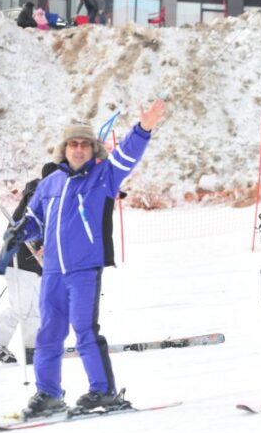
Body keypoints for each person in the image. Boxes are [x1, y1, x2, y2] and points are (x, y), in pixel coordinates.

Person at [9, 99, 167, 417]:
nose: (78, 149)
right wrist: (20, 231)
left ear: (92, 149)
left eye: (84, 144)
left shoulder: (103, 177)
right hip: (52, 269)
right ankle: (48, 393)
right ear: (64, 149)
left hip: (84, 269)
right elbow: (36, 220)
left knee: (84, 330)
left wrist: (144, 128)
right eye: (73, 144)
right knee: (48, 333)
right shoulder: (49, 184)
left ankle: (103, 391)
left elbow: (127, 156)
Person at [0, 162, 55, 365]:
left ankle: (32, 348)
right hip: (18, 260)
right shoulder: (37, 196)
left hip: (31, 264)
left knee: (35, 308)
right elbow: (30, 223)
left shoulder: (46, 195)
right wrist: (42, 243)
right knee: (21, 307)